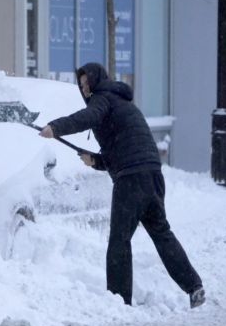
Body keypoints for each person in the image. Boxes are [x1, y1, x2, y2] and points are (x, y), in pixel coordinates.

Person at [39, 62, 205, 308]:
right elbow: (125, 148)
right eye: (81, 86)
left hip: (131, 180)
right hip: (152, 175)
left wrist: (55, 127)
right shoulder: (124, 103)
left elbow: (86, 118)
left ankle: (118, 301)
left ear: (96, 82)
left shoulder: (102, 99)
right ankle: (194, 287)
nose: (84, 90)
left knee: (119, 240)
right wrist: (96, 160)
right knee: (161, 233)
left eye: (87, 84)